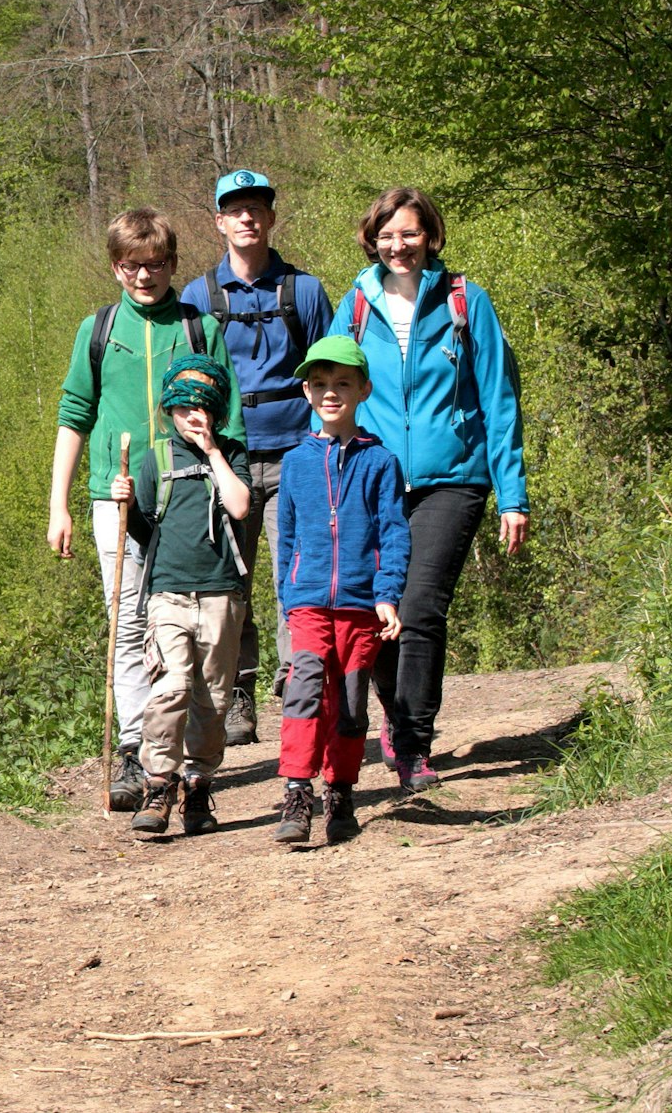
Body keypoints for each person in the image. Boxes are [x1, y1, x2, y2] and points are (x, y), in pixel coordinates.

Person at [331, 187, 528, 792]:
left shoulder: (468, 302)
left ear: (430, 236)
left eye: (410, 234)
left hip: (454, 479)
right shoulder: (357, 305)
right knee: (378, 611)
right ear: (373, 240)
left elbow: (498, 399)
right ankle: (394, 714)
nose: (399, 246)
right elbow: (329, 390)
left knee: (418, 609)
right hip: (377, 478)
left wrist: (512, 494)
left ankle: (414, 744)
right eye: (388, 236)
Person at [48, 208, 243, 812]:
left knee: (199, 627)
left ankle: (187, 758)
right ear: (115, 267)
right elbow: (74, 413)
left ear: (173, 265)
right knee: (129, 625)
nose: (144, 276)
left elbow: (229, 415)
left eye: (156, 264)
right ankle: (138, 753)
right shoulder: (98, 330)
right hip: (118, 494)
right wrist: (59, 504)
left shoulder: (199, 327)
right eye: (132, 265)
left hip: (191, 495)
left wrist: (219, 475)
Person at [180, 170, 336, 747]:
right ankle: (238, 691)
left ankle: (299, 681)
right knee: (231, 579)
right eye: (235, 210)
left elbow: (330, 372)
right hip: (230, 458)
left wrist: (331, 446)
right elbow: (188, 381)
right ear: (219, 221)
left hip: (299, 452)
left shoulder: (305, 291)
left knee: (297, 572)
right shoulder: (199, 296)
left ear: (271, 218)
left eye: (257, 208)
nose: (247, 218)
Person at [272, 336, 410, 843]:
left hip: (360, 606)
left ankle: (341, 792)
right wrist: (289, 595)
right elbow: (286, 537)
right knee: (304, 693)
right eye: (321, 384)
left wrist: (387, 594)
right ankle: (296, 793)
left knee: (351, 705)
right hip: (308, 603)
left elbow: (394, 534)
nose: (331, 393)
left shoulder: (381, 463)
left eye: (342, 384)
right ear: (307, 393)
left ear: (364, 390)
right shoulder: (296, 463)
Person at [109, 356, 251, 836]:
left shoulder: (232, 453)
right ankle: (158, 785)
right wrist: (125, 501)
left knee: (211, 699)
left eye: (202, 408)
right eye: (184, 408)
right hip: (167, 591)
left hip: (222, 594)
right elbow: (145, 531)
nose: (193, 417)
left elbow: (240, 505)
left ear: (216, 411)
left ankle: (198, 787)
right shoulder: (155, 459)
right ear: (169, 410)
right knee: (170, 689)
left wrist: (213, 453)